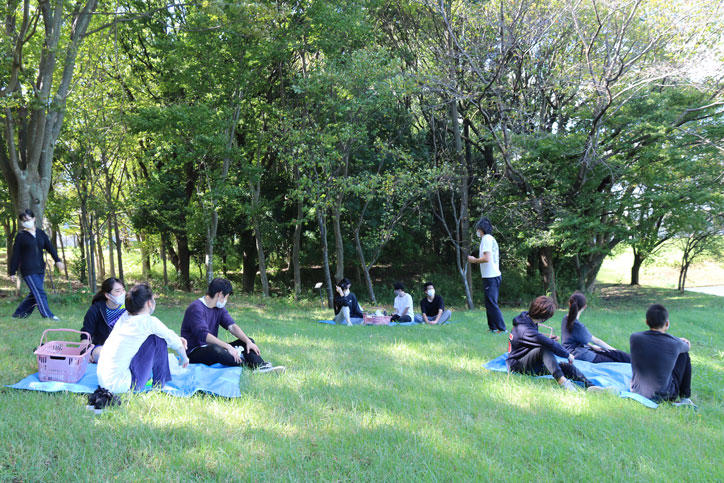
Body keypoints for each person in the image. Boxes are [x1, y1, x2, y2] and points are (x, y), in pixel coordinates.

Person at [97, 283, 189, 394]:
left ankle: (154, 381)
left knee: (157, 336)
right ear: (149, 303)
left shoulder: (124, 317)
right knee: (157, 339)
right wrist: (184, 358)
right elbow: (172, 340)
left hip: (104, 382)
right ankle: (159, 385)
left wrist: (176, 338)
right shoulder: (148, 322)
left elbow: (169, 336)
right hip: (123, 385)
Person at [181, 278, 285, 372]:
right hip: (194, 352)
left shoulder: (218, 308)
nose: (226, 300)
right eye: (226, 297)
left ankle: (260, 366)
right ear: (220, 294)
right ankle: (248, 362)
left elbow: (232, 326)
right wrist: (228, 347)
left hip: (210, 347)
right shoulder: (196, 308)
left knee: (246, 341)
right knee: (215, 350)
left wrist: (248, 342)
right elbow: (204, 336)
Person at [507, 296, 598, 392]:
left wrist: (546, 339)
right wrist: (567, 354)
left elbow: (531, 340)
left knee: (565, 367)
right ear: (544, 317)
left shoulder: (525, 317)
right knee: (543, 349)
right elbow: (548, 344)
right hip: (517, 366)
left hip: (529, 359)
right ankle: (563, 382)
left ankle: (590, 386)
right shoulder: (525, 330)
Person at [629, 304, 694, 406]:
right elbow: (687, 347)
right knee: (684, 355)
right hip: (664, 395)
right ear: (667, 323)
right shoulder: (675, 343)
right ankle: (685, 397)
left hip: (637, 391)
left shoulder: (634, 338)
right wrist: (680, 340)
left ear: (647, 322)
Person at [9, 209, 64, 320]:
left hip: (40, 269)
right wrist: (12, 272)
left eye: (28, 219)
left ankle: (19, 314)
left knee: (34, 294)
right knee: (39, 292)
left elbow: (50, 248)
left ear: (34, 219)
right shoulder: (21, 236)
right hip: (28, 270)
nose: (26, 222)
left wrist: (57, 260)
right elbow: (16, 255)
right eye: (23, 221)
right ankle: (48, 315)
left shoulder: (40, 233)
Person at [561, 292, 630, 364]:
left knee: (612, 354)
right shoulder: (577, 326)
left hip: (575, 351)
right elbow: (597, 341)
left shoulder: (565, 319)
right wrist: (615, 351)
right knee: (615, 359)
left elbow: (577, 338)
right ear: (585, 307)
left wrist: (592, 346)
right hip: (580, 354)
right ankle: (635, 361)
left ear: (569, 304)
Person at [467, 217, 505, 332]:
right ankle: (492, 328)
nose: (477, 231)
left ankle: (502, 328)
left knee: (492, 303)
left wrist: (474, 260)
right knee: (489, 303)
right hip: (489, 276)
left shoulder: (487, 239)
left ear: (482, 229)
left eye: (478, 229)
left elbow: (486, 258)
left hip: (491, 276)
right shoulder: (488, 239)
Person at [81, 277, 127, 363]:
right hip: (101, 347)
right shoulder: (96, 309)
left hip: (123, 347)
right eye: (118, 291)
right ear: (107, 295)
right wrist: (85, 353)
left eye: (123, 290)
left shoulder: (128, 308)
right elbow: (86, 333)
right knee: (99, 354)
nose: (122, 294)